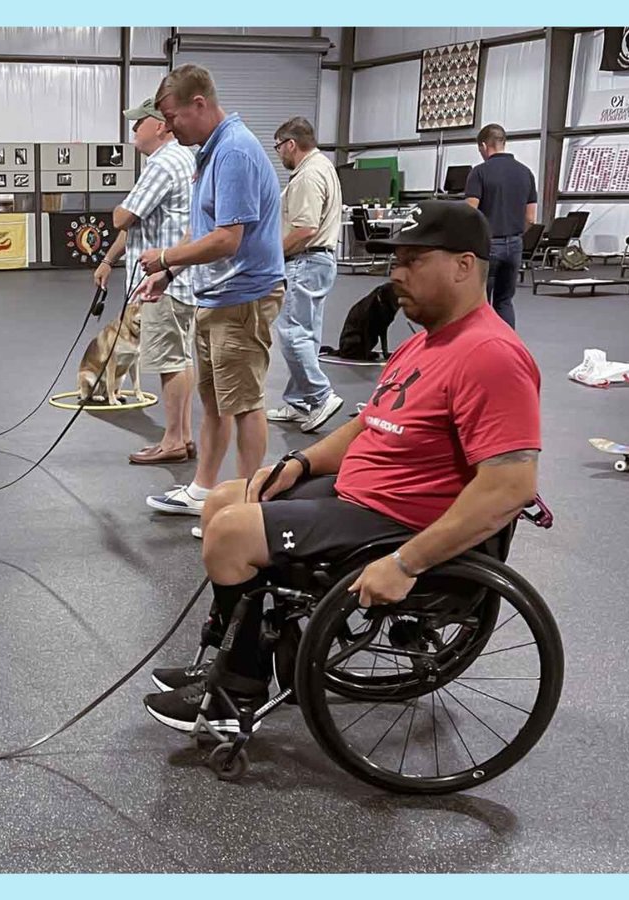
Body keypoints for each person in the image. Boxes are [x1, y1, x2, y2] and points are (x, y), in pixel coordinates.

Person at [141, 201, 541, 733]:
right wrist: (301, 463)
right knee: (225, 499)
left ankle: (235, 696)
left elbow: (509, 486)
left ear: (464, 265)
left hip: (402, 521)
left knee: (233, 533)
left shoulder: (491, 355)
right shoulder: (423, 343)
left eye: (414, 260)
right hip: (362, 498)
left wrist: (405, 564)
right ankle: (226, 657)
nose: (396, 274)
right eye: (394, 260)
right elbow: (367, 425)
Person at [136, 65, 285, 521]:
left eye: (172, 117)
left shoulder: (235, 152)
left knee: (244, 404)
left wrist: (163, 258)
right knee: (216, 402)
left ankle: (245, 506)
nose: (168, 127)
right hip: (214, 296)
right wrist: (170, 272)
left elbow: (227, 239)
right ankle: (204, 489)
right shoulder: (210, 151)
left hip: (243, 297)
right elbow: (199, 228)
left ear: (198, 104)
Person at [95, 96, 197, 465]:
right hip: (181, 278)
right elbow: (139, 222)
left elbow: (123, 218)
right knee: (181, 358)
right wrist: (109, 259)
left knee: (169, 361)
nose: (133, 130)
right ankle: (183, 436)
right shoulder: (187, 158)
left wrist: (119, 211)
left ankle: (171, 441)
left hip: (160, 284)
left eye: (139, 123)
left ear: (160, 125)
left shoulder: (162, 163)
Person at [265, 116, 344, 434]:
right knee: (307, 334)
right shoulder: (324, 167)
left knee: (292, 334)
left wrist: (272, 256)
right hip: (318, 262)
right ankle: (300, 401)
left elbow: (305, 229)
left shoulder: (307, 177)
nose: (278, 154)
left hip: (305, 262)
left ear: (290, 144)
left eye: (278, 147)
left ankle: (321, 395)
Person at [463, 124, 536, 329]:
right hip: (515, 244)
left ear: (484, 146)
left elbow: (470, 213)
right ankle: (507, 348)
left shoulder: (479, 173)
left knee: (479, 303)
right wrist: (514, 235)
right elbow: (530, 218)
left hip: (487, 245)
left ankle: (481, 348)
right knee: (504, 301)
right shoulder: (526, 173)